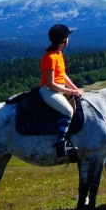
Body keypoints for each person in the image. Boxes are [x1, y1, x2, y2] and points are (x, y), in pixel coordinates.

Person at [40, 24, 84, 160]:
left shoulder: (59, 54)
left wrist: (75, 89)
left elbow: (63, 75)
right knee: (68, 111)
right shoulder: (50, 57)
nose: (69, 39)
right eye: (67, 36)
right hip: (49, 90)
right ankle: (60, 144)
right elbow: (51, 83)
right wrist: (70, 91)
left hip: (59, 88)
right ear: (63, 40)